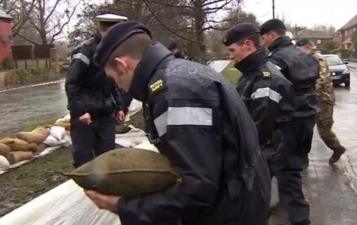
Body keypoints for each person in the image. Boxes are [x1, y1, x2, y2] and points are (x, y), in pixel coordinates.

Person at [86, 20, 270, 225]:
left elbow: (198, 188)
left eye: (114, 79)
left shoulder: (175, 94)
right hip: (239, 194)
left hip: (230, 210)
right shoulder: (179, 74)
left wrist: (123, 206)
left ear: (122, 64)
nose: (118, 86)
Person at [260, 19, 320, 225]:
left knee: (275, 171)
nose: (263, 42)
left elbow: (274, 90)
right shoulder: (306, 56)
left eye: (264, 37)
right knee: (292, 168)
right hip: (307, 120)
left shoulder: (276, 60)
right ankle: (292, 212)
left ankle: (292, 216)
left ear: (271, 35)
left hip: (287, 121)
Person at [223, 22, 294, 180]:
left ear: (248, 45)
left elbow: (258, 128)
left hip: (261, 157)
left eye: (232, 50)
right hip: (257, 155)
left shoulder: (265, 80)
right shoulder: (251, 73)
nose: (231, 56)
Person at [65, 14, 128, 168]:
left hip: (106, 113)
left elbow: (113, 81)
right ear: (107, 30)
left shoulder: (113, 51)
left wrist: (119, 107)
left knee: (108, 155)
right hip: (86, 116)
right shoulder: (85, 51)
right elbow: (71, 83)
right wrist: (80, 112)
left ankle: (105, 188)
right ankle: (87, 188)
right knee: (84, 158)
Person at [297, 39, 346, 164]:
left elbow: (321, 79)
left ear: (306, 47)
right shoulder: (305, 59)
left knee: (324, 129)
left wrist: (308, 92)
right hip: (311, 99)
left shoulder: (318, 59)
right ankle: (303, 156)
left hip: (323, 100)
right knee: (305, 129)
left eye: (299, 49)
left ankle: (337, 148)